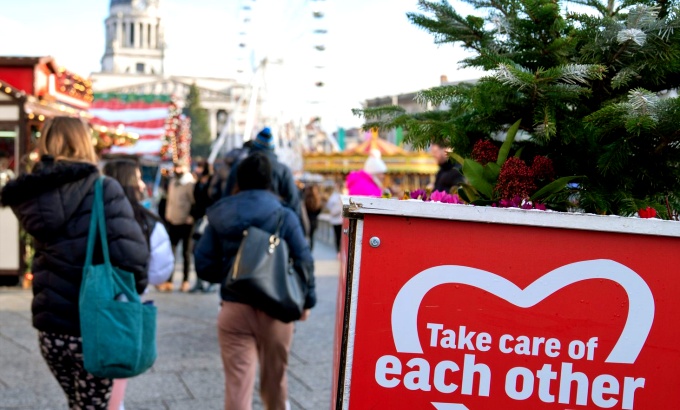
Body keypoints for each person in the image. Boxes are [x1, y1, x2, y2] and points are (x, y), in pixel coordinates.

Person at [0, 116, 149, 409]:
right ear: (84, 143)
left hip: (51, 328)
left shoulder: (31, 195)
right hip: (94, 324)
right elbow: (133, 258)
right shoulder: (103, 189)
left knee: (76, 403)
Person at [193, 152, 316, 410]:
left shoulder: (219, 213)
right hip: (277, 307)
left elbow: (204, 265)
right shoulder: (284, 214)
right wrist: (307, 301)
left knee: (237, 386)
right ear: (270, 180)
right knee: (275, 383)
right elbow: (304, 259)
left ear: (239, 178)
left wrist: (231, 275)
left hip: (234, 308)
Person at [102, 159, 174, 410]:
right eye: (139, 178)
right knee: (114, 387)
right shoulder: (146, 221)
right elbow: (160, 272)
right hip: (126, 308)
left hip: (85, 302)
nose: (143, 184)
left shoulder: (87, 214)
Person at [224, 127, 301, 217]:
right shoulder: (283, 171)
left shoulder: (239, 166)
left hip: (241, 219)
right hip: (274, 222)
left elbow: (227, 198)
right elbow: (294, 204)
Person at [162, 161, 195, 292]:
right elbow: (169, 201)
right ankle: (169, 280)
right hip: (173, 220)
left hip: (185, 222)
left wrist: (191, 216)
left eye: (179, 167)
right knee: (171, 252)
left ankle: (185, 281)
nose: (177, 169)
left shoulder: (189, 183)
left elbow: (194, 201)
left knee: (186, 253)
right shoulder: (172, 182)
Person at [189, 158, 213, 293]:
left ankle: (209, 282)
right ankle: (199, 281)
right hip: (198, 220)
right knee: (196, 250)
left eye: (200, 167)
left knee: (207, 251)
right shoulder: (198, 183)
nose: (197, 169)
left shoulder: (211, 183)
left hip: (208, 221)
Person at [325, 181, 344, 254]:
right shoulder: (336, 195)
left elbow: (328, 205)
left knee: (339, 236)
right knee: (339, 236)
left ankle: (339, 251)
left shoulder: (336, 195)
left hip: (338, 219)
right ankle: (339, 251)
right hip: (338, 219)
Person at [303, 184, 322, 250]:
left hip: (306, 220)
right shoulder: (317, 199)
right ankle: (310, 249)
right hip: (314, 221)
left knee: (305, 236)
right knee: (312, 237)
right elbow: (319, 210)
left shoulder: (305, 199)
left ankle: (306, 248)